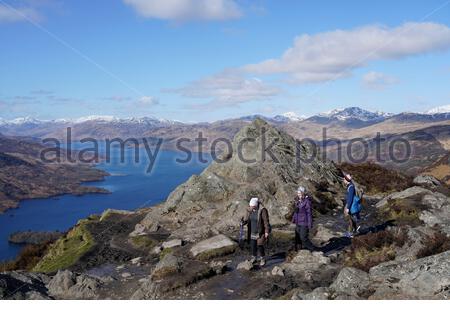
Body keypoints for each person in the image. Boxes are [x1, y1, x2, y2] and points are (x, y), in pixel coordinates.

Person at [242, 197, 270, 266]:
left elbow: (266, 222)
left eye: (253, 206)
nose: (251, 208)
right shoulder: (249, 210)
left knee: (260, 245)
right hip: (252, 231)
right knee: (253, 245)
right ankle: (254, 257)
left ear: (256, 205)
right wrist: (243, 222)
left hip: (260, 231)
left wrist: (266, 231)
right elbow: (246, 219)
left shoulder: (262, 210)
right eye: (251, 206)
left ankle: (262, 258)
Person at [292, 186, 315, 251]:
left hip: (304, 222)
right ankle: (298, 250)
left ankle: (312, 248)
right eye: (298, 193)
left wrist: (310, 224)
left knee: (303, 237)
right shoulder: (297, 201)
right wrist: (294, 219)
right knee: (297, 237)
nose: (298, 195)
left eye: (300, 193)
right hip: (298, 221)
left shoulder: (307, 202)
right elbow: (296, 211)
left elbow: (309, 213)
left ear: (303, 193)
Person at [343, 173, 361, 238]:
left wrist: (348, 208)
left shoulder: (351, 187)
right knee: (351, 218)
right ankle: (354, 231)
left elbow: (350, 198)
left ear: (346, 180)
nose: (343, 180)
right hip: (350, 205)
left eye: (344, 179)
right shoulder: (350, 186)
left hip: (350, 205)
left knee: (349, 218)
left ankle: (351, 233)